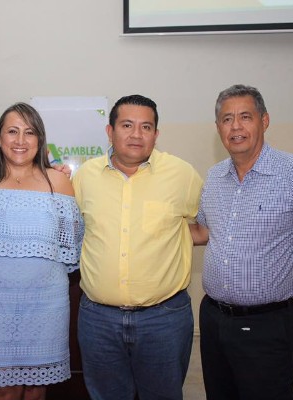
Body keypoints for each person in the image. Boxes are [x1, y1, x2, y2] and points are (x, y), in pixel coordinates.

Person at [193, 84, 293, 400]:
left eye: (245, 117)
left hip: (267, 323)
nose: (236, 127)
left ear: (264, 120)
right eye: (227, 119)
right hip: (214, 319)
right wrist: (149, 229)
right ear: (218, 127)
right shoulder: (215, 177)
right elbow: (203, 231)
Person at [72, 94, 203, 400]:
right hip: (98, 320)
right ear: (110, 131)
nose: (136, 134)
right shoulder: (85, 178)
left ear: (156, 134)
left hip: (164, 318)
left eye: (146, 127)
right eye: (127, 125)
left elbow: (207, 227)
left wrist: (172, 237)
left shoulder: (181, 175)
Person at [0, 103, 84, 400]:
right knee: (0, 391)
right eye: (12, 131)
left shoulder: (59, 182)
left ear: (40, 140)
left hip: (45, 303)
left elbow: (72, 245)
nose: (20, 140)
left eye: (29, 132)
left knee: (34, 391)